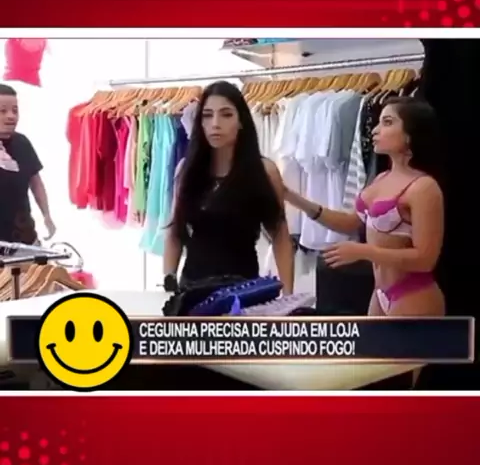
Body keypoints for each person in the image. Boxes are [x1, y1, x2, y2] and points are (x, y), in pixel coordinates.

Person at [283, 97, 445, 316]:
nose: (375, 130)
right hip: (380, 292)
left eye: (387, 122)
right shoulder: (381, 179)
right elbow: (350, 222)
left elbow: (425, 260)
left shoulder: (424, 188)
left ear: (410, 134)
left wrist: (363, 251)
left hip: (413, 293)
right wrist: (293, 198)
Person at [163, 80, 294, 293]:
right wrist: (169, 284)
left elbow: (280, 236)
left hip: (242, 292)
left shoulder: (264, 171)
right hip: (193, 290)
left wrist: (288, 295)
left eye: (226, 114)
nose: (215, 123)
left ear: (241, 121)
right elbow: (174, 233)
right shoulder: (187, 170)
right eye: (207, 115)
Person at [0, 83, 56, 244]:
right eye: (2, 111)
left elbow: (35, 182)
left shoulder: (22, 143)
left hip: (24, 236)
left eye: (15, 110)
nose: (11, 116)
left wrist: (46, 215)